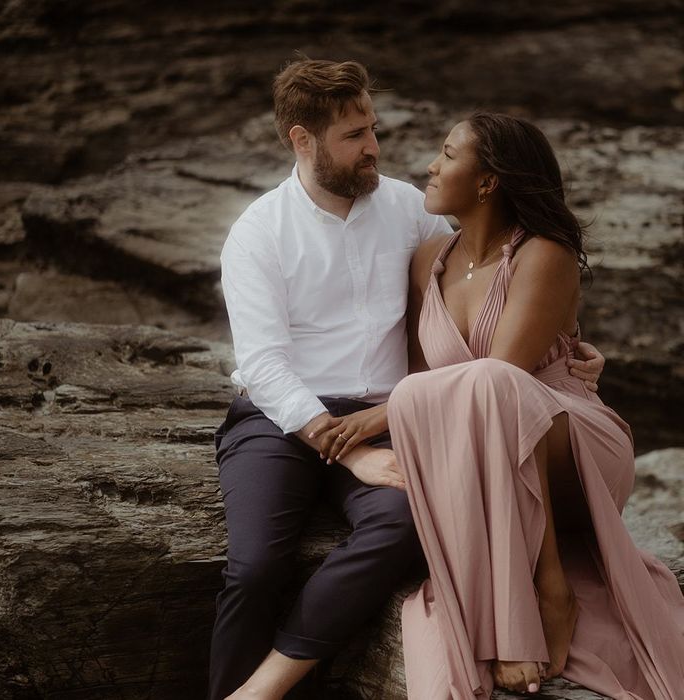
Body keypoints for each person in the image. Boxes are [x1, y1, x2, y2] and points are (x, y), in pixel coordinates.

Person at [211, 59, 605, 700]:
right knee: (255, 567)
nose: (373, 148)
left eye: (372, 128)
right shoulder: (258, 232)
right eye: (353, 136)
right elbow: (262, 362)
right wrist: (350, 450)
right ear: (302, 140)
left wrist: (574, 348)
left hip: (399, 415)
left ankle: (267, 685)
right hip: (280, 422)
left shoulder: (411, 213)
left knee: (405, 527)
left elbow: (491, 286)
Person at [313, 113, 684, 698]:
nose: (431, 166)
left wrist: (381, 415)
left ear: (487, 182)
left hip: (569, 439)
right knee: (453, 398)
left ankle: (547, 592)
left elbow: (504, 373)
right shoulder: (426, 260)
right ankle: (518, 595)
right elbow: (421, 377)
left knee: (489, 386)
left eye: (447, 153)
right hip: (485, 452)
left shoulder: (545, 253)